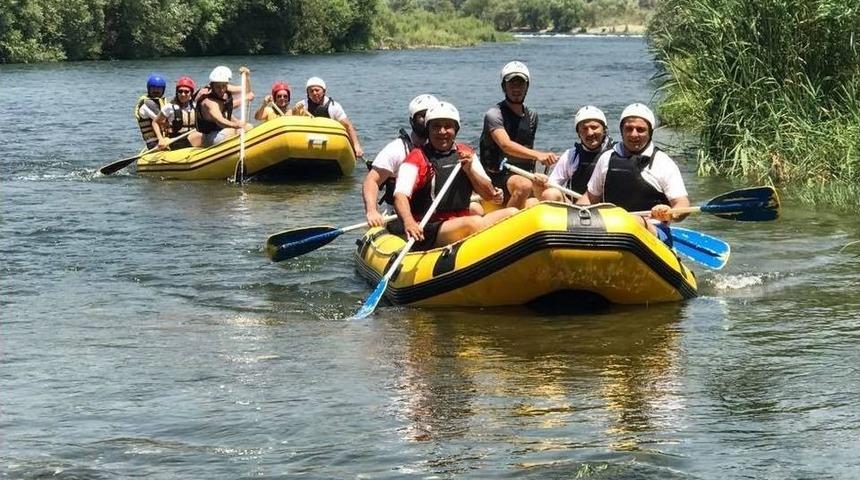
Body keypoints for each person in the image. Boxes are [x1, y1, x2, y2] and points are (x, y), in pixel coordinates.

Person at [390, 101, 516, 251]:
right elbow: (400, 196)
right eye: (436, 126)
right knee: (473, 223)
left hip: (461, 219)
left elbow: (488, 194)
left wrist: (470, 170)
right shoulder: (416, 158)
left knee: (513, 214)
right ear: (428, 130)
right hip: (428, 227)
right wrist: (409, 222)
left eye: (447, 126)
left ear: (455, 129)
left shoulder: (465, 154)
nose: (442, 131)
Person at [576, 103, 691, 245]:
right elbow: (590, 197)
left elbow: (682, 203)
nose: (633, 134)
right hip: (610, 229)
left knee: (632, 222)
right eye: (628, 129)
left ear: (650, 132)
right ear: (622, 131)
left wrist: (670, 212)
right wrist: (574, 215)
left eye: (640, 130)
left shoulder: (663, 162)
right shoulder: (606, 158)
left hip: (653, 229)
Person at [479, 61, 558, 209]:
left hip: (524, 173)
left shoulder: (532, 116)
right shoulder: (494, 114)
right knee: (523, 186)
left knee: (546, 193)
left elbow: (527, 148)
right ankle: (504, 224)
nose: (517, 88)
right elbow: (505, 145)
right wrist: (538, 155)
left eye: (521, 84)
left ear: (527, 86)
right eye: (512, 84)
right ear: (504, 86)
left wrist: (545, 159)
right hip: (497, 174)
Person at [362, 94, 438, 227]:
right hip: (399, 216)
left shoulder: (444, 148)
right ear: (412, 120)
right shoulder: (397, 149)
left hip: (434, 211)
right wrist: (372, 211)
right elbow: (372, 181)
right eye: (422, 116)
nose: (427, 120)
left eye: (431, 115)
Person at [533, 105, 613, 202]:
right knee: (550, 193)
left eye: (594, 127)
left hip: (608, 211)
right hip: (575, 210)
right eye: (584, 128)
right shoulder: (571, 155)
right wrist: (540, 184)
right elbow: (552, 185)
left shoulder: (615, 154)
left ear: (604, 129)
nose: (590, 133)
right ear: (578, 133)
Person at [293, 77, 364, 158]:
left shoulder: (334, 107)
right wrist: (295, 111)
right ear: (307, 93)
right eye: (311, 91)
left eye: (317, 90)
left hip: (329, 144)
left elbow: (348, 126)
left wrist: (356, 146)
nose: (314, 93)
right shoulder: (302, 105)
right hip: (308, 143)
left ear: (323, 91)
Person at [196, 65, 253, 147]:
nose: (221, 90)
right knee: (234, 131)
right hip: (210, 137)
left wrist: (247, 76)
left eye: (223, 86)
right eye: (218, 87)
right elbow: (220, 120)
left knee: (249, 126)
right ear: (212, 86)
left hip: (221, 131)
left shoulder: (225, 88)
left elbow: (247, 90)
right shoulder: (210, 103)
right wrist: (236, 125)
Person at [152, 76, 203, 150]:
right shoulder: (169, 107)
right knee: (199, 137)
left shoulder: (196, 106)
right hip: (176, 140)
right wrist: (160, 139)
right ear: (177, 92)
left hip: (193, 136)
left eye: (186, 92)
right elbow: (155, 122)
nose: (183, 94)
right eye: (180, 91)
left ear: (191, 93)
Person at [135, 73, 168, 149]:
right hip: (153, 143)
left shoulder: (163, 102)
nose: (156, 91)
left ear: (163, 90)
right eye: (153, 88)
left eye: (159, 88)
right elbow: (162, 121)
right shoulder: (146, 104)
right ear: (148, 89)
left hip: (164, 138)